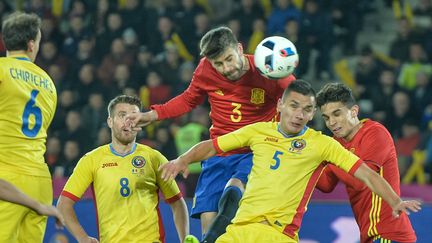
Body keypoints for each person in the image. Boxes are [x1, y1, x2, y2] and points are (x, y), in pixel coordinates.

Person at [159, 80, 421, 243]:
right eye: (294, 106)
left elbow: (365, 174)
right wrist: (182, 160)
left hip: (280, 235)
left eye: (307, 110)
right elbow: (212, 146)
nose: (300, 114)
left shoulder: (327, 144)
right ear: (280, 106)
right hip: (240, 231)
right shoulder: (259, 131)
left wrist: (395, 200)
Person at [127, 26, 295, 242]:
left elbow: (297, 99)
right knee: (208, 217)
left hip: (257, 151)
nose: (225, 68)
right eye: (219, 64)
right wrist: (151, 115)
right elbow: (188, 100)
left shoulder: (267, 69)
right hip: (219, 151)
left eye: (229, 59)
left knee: (234, 187)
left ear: (240, 49)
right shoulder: (205, 70)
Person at [57, 95, 195, 243]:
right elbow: (64, 204)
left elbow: (177, 202)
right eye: (122, 115)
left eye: (134, 116)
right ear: (110, 121)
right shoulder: (91, 160)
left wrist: (184, 238)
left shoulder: (153, 157)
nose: (128, 121)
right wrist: (82, 238)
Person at [315, 83, 417, 243]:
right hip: (370, 235)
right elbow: (326, 185)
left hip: (389, 234)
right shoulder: (336, 143)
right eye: (326, 118)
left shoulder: (375, 133)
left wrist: (331, 158)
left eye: (337, 114)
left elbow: (361, 181)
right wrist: (302, 159)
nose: (331, 123)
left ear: (354, 111)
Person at [0, 12, 59, 242]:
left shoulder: (2, 70)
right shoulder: (49, 84)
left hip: (6, 178)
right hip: (40, 181)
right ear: (32, 44)